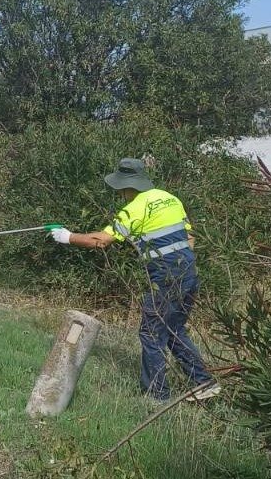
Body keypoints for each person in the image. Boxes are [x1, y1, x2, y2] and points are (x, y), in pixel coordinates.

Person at [50, 158, 220, 404]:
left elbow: (101, 241)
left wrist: (68, 237)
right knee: (173, 329)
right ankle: (204, 382)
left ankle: (157, 397)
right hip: (189, 272)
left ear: (128, 186)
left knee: (151, 333)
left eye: (121, 188)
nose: (120, 193)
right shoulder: (170, 198)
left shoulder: (134, 209)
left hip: (165, 275)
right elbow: (190, 235)